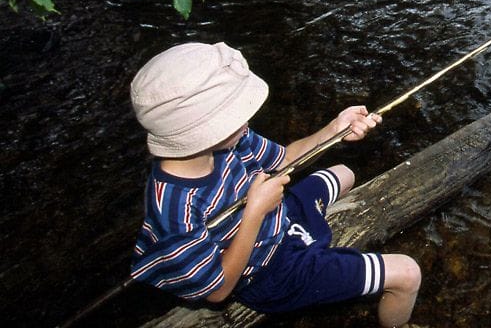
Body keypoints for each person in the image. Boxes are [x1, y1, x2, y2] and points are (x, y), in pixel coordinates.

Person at [128, 42, 420, 327]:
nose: (247, 121)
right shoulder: (173, 208)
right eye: (235, 114)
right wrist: (255, 213)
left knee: (345, 173)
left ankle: (318, 245)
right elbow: (217, 290)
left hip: (279, 219)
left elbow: (283, 159)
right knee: (407, 274)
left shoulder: (229, 139)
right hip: (267, 271)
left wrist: (334, 130)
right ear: (197, 131)